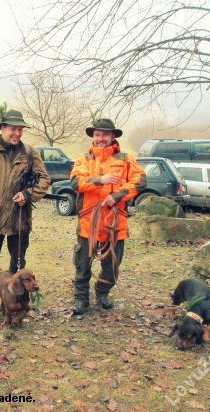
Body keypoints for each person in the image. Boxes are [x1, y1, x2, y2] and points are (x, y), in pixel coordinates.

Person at [0, 109, 50, 316]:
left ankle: (18, 299)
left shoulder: (30, 153)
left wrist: (28, 194)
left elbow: (44, 180)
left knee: (18, 264)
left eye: (20, 129)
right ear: (2, 128)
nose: (17, 133)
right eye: (13, 129)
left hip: (19, 221)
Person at [70, 118, 146, 315]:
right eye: (97, 135)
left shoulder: (126, 159)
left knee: (112, 266)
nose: (100, 138)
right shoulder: (84, 159)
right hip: (89, 223)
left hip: (115, 223)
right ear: (93, 137)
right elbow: (76, 183)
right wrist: (100, 180)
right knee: (82, 264)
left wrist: (117, 195)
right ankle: (81, 298)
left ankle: (103, 292)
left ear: (113, 136)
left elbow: (140, 181)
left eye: (105, 134)